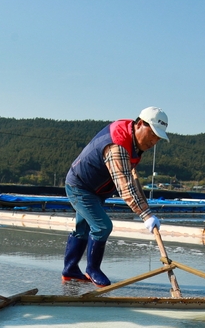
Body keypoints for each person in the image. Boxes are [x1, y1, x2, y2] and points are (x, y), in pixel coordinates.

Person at [62, 107, 168, 286]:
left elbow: (131, 179)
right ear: (140, 124)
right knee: (102, 226)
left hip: (95, 190)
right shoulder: (117, 146)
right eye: (152, 134)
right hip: (80, 186)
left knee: (82, 227)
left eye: (158, 138)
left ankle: (70, 270)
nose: (154, 141)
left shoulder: (133, 141)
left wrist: (147, 209)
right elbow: (125, 186)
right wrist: (146, 215)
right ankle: (92, 269)